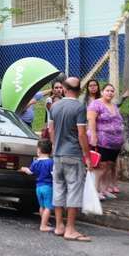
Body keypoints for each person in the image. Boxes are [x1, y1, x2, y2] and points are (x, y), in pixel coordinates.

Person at [48, 77, 92, 242]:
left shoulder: (54, 106)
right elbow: (81, 134)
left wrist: (54, 146)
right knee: (74, 190)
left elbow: (50, 130)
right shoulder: (80, 107)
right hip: (73, 154)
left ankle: (59, 226)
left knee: (59, 189)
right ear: (79, 90)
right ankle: (70, 229)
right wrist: (87, 156)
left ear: (64, 89)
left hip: (57, 155)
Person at [87, 83, 124, 200]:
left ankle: (104, 189)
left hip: (115, 143)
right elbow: (91, 120)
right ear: (102, 92)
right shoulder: (96, 104)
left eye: (112, 91)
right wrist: (93, 136)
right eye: (107, 90)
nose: (110, 93)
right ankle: (95, 190)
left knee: (109, 166)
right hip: (101, 141)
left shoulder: (114, 105)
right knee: (101, 166)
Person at [20, 139, 55, 232]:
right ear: (51, 151)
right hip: (48, 187)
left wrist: (24, 169)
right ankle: (43, 225)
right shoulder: (51, 162)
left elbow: (30, 172)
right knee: (48, 207)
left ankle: (44, 221)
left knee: (42, 206)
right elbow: (53, 174)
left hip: (38, 187)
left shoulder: (36, 162)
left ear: (39, 150)